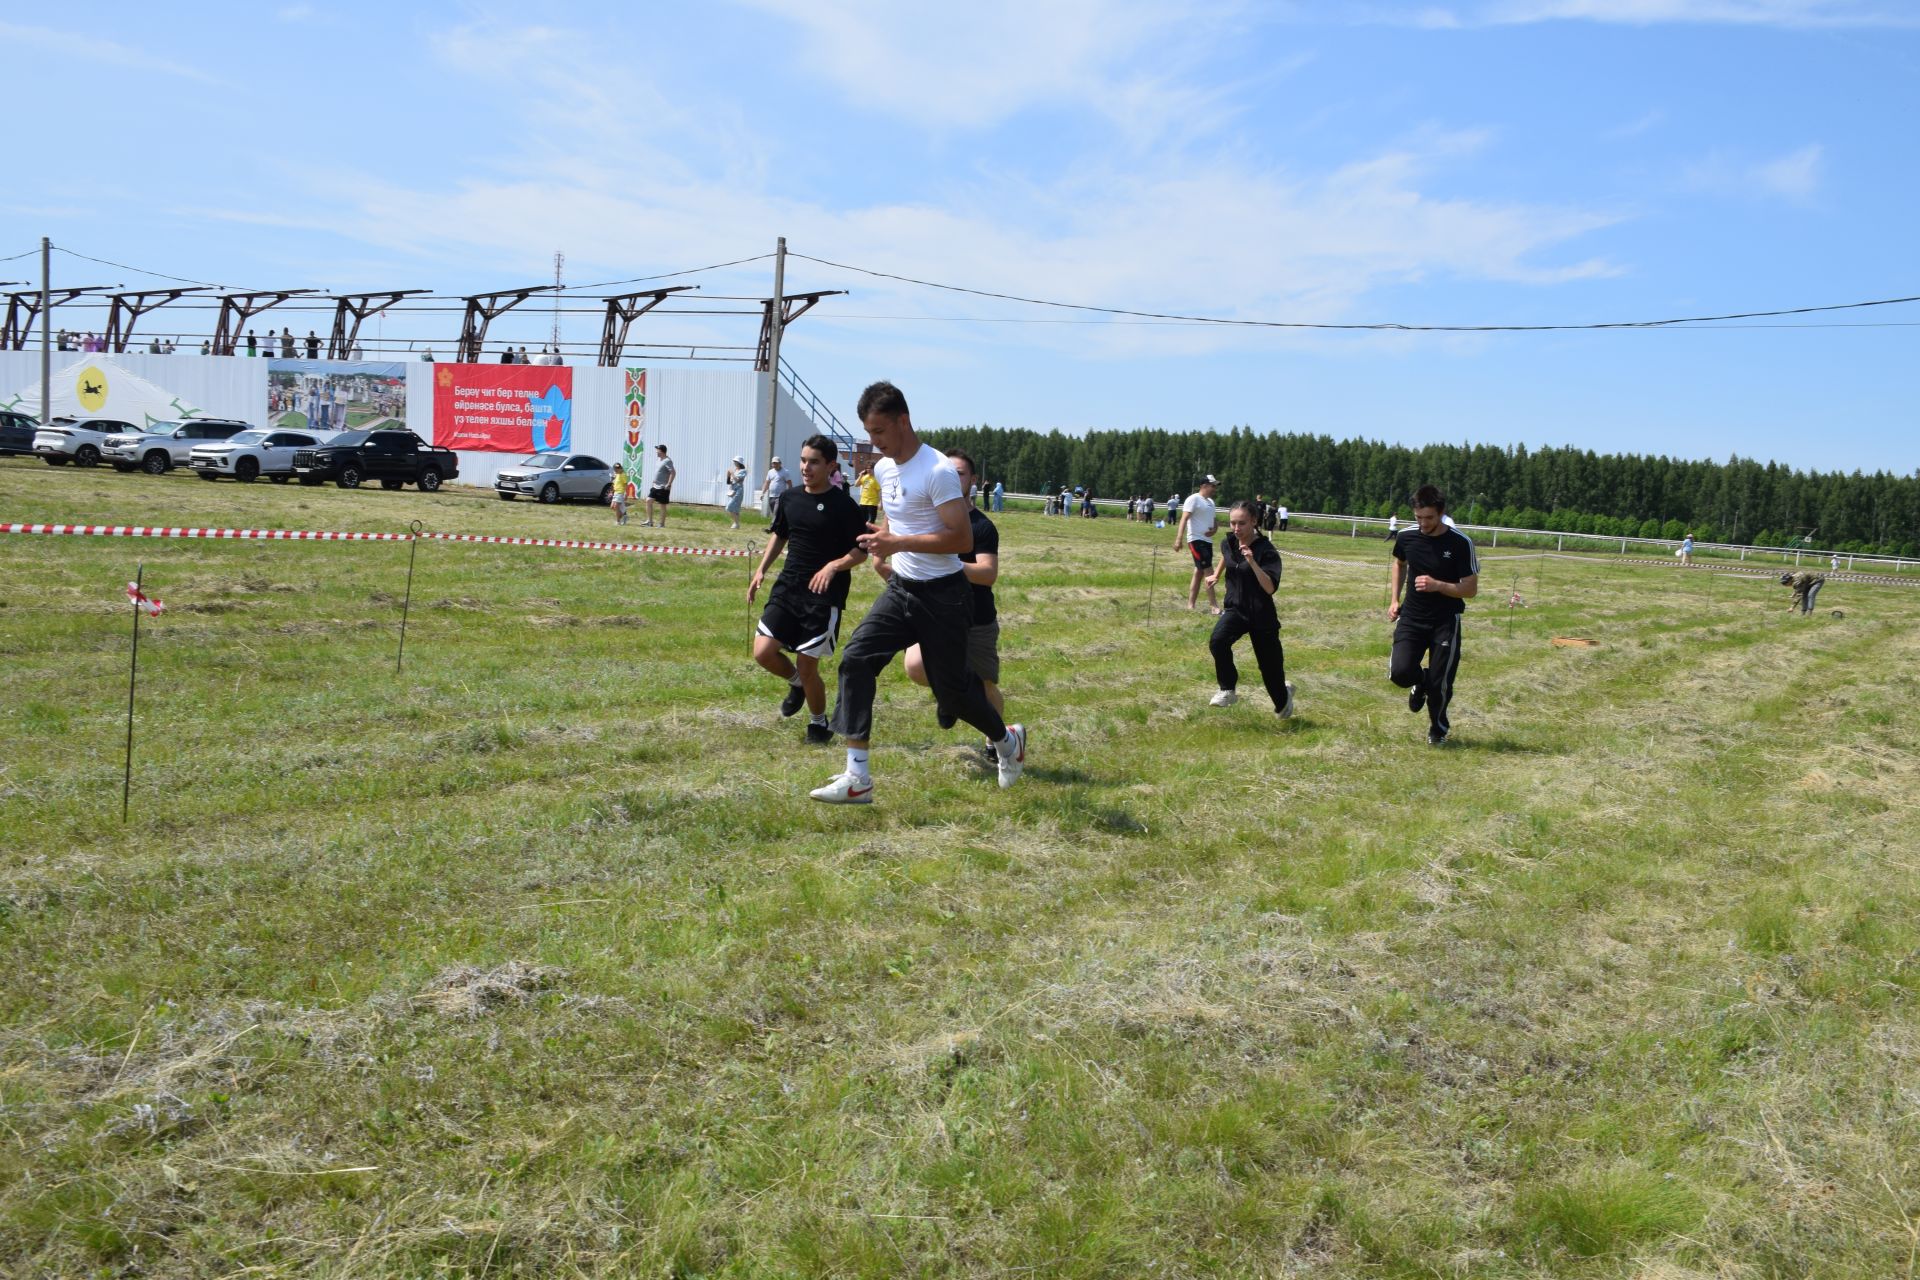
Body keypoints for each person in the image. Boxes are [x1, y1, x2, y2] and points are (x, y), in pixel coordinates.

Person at [811, 381, 1026, 804]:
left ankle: (1006, 739)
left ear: (903, 421)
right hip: (903, 588)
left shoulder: (938, 470)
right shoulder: (887, 468)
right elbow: (900, 520)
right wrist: (882, 537)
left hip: (945, 596)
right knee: (855, 659)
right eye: (869, 432)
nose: (873, 442)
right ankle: (858, 778)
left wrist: (899, 544)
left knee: (953, 693)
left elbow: (959, 536)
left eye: (879, 432)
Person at [750, 434, 871, 745]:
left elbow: (861, 552)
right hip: (788, 588)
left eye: (813, 462)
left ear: (830, 466)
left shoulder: (844, 506)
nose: (805, 467)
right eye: (803, 460)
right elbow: (779, 536)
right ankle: (797, 685)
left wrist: (833, 567)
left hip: (823, 597)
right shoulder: (790, 499)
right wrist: (761, 570)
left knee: (807, 665)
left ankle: (819, 723)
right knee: (763, 652)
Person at [903, 448, 1007, 757]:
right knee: (915, 666)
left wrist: (950, 565)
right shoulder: (928, 522)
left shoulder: (982, 527)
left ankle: (997, 743)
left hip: (976, 618)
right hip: (934, 612)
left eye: (959, 473)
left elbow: (988, 574)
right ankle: (949, 696)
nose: (952, 477)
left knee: (985, 686)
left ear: (973, 480)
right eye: (947, 471)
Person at [1388, 485, 1480, 746]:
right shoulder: (1406, 537)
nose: (1423, 523)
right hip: (1412, 618)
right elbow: (1399, 564)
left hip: (1445, 622)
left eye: (1429, 518)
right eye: (1418, 517)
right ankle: (1422, 680)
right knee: (1399, 672)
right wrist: (1395, 600)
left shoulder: (1460, 543)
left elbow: (1471, 589)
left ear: (1441, 513)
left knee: (1441, 685)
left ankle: (1438, 730)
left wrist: (1438, 585)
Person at [1205, 500, 1294, 717]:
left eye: (1242, 523)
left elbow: (1270, 588)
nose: (1236, 528)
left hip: (1262, 615)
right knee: (1218, 641)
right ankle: (1227, 689)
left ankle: (1284, 695)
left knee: (1271, 675)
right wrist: (1217, 574)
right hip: (1236, 609)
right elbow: (1227, 556)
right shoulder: (1229, 543)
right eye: (1233, 523)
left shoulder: (1267, 551)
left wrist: (1253, 563)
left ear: (1254, 521)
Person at [1174, 475, 1221, 614]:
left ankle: (1190, 605)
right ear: (1204, 486)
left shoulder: (1211, 502)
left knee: (1199, 571)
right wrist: (1179, 539)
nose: (1214, 489)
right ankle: (1214, 606)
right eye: (1213, 486)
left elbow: (1213, 520)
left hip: (1207, 541)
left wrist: (1215, 529)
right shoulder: (1193, 499)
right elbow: (1184, 519)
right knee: (1209, 572)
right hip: (1196, 540)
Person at [642, 442, 676, 527]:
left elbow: (673, 472)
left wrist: (669, 484)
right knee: (648, 500)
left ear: (662, 451)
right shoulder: (658, 460)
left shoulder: (668, 461)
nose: (656, 452)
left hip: (663, 487)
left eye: (657, 450)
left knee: (662, 505)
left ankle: (662, 524)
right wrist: (654, 481)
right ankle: (650, 522)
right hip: (655, 486)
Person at [759, 457, 792, 522]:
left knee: (776, 512)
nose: (774, 465)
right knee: (774, 513)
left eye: (776, 463)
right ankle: (780, 525)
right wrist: (762, 493)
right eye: (773, 463)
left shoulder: (785, 472)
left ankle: (772, 527)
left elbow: (789, 484)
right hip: (771, 496)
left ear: (780, 463)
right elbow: (767, 483)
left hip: (780, 496)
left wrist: (789, 494)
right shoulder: (770, 472)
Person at [724, 455, 747, 529]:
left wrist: (732, 473)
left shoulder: (743, 471)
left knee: (730, 507)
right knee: (735, 509)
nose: (734, 463)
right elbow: (729, 482)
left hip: (738, 491)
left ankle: (736, 523)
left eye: (736, 462)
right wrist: (728, 475)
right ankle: (736, 524)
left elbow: (737, 480)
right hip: (733, 491)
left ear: (739, 463)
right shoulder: (735, 470)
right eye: (734, 462)